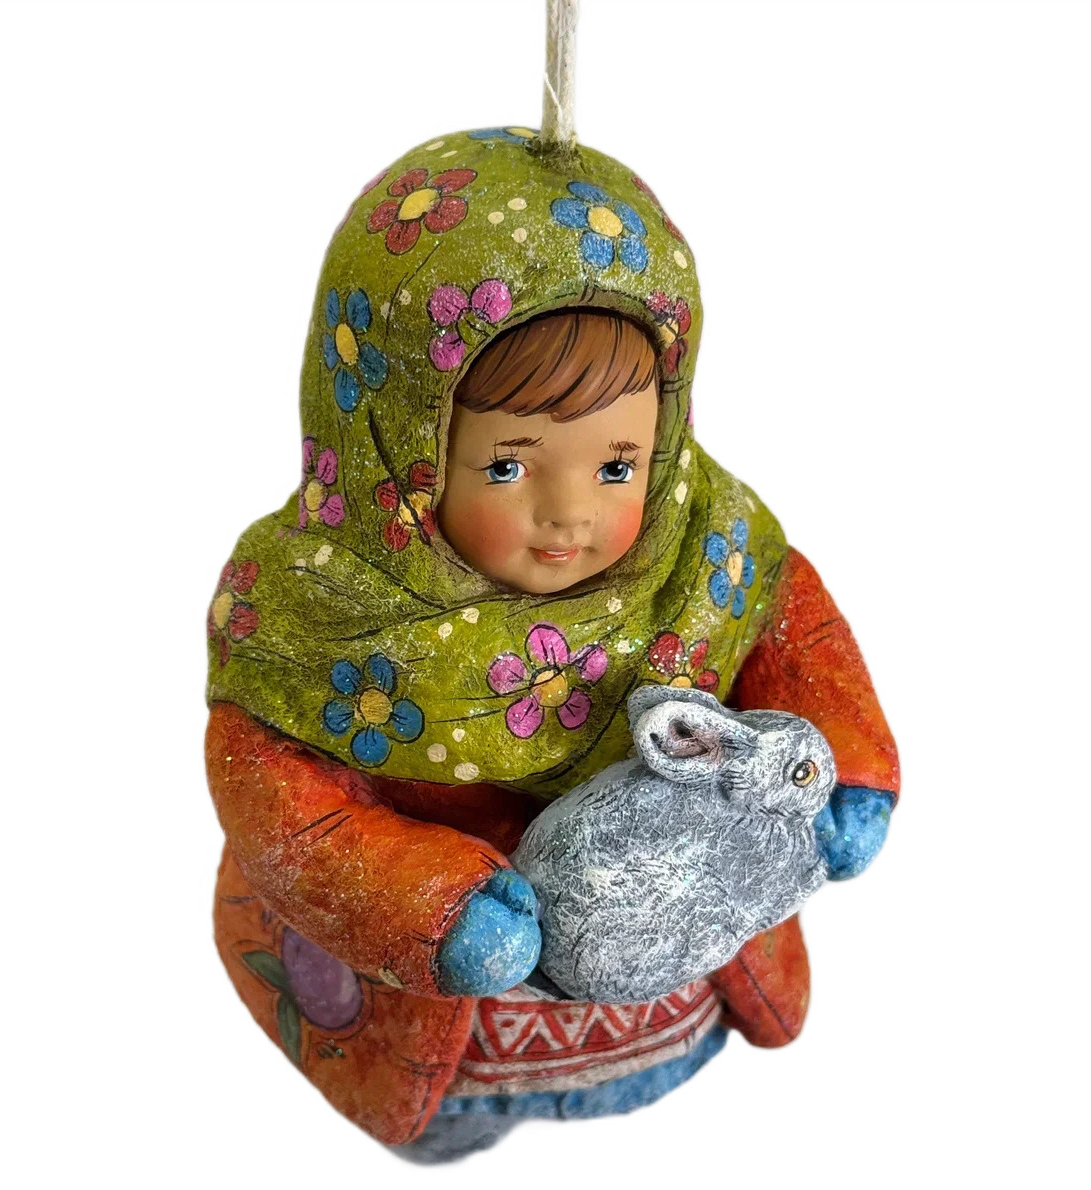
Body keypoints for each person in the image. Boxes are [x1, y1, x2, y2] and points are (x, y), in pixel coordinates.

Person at [205, 129, 899, 1162]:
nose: (570, 513)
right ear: (397, 442)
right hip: (449, 1047)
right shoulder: (310, 615)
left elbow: (801, 642)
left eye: (616, 465)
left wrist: (842, 771)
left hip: (685, 1003)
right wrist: (432, 909)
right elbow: (284, 810)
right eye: (509, 466)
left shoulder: (710, 550)